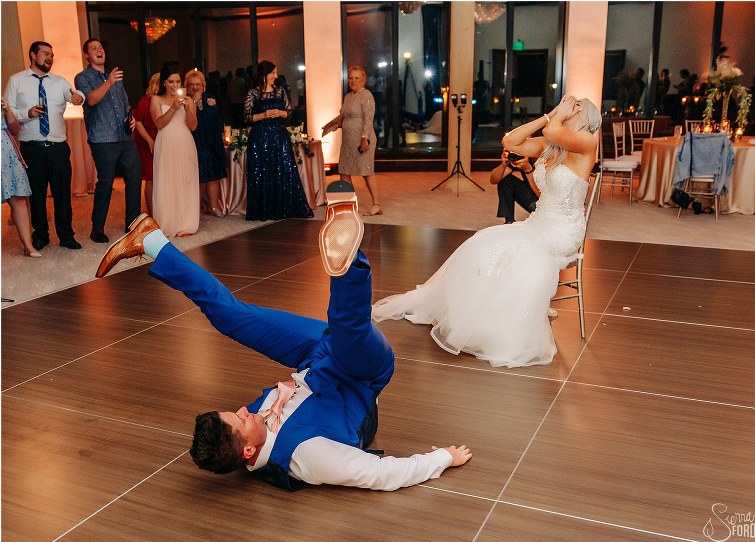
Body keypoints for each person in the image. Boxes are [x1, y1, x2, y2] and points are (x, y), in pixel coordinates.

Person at [93, 181, 472, 490]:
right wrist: (443, 459)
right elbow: (381, 475)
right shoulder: (308, 457)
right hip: (362, 373)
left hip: (314, 358)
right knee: (348, 328)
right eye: (241, 418)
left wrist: (256, 413)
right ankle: (349, 254)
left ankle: (151, 241)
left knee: (230, 315)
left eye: (236, 411)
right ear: (248, 452)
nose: (245, 408)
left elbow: (259, 412)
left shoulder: (248, 433)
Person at [372, 96, 601, 368]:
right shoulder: (551, 147)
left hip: (563, 230)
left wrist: (555, 118)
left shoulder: (588, 143)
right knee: (482, 242)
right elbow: (510, 142)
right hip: (536, 223)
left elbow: (553, 131)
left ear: (586, 117)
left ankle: (507, 324)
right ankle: (481, 318)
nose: (569, 109)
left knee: (524, 254)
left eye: (576, 107)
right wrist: (550, 114)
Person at [4, 40, 84, 251]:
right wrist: (26, 114)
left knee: (62, 194)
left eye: (51, 55)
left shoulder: (59, 81)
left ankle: (66, 235)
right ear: (33, 55)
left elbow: (75, 94)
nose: (49, 58)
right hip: (32, 148)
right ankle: (40, 235)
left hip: (58, 147)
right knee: (36, 195)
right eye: (45, 53)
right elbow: (7, 112)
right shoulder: (16, 81)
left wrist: (78, 97)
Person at [75, 38, 142, 244]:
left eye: (101, 47)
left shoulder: (115, 77)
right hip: (102, 138)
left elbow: (125, 104)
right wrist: (109, 82)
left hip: (124, 136)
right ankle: (97, 229)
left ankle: (133, 224)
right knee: (105, 182)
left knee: (134, 178)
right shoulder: (83, 77)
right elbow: (92, 100)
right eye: (93, 48)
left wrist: (131, 118)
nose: (99, 50)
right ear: (87, 55)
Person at [243, 60, 313, 221]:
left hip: (279, 136)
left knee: (285, 169)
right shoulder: (252, 93)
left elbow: (289, 112)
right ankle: (264, 209)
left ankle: (285, 207)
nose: (276, 75)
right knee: (262, 171)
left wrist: (280, 113)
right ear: (264, 75)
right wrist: (264, 115)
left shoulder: (280, 91)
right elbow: (246, 117)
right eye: (273, 72)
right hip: (260, 137)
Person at [323, 66, 382, 216]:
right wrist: (337, 125)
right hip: (348, 140)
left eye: (357, 78)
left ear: (364, 80)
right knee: (344, 171)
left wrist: (364, 139)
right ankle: (349, 203)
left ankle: (377, 205)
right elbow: (345, 117)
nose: (353, 81)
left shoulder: (366, 95)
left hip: (362, 139)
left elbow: (369, 120)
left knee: (366, 171)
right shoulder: (348, 97)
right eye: (351, 78)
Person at [150, 63, 199, 237]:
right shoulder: (156, 100)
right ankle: (168, 222)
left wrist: (187, 109)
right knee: (167, 180)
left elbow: (193, 127)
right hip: (166, 143)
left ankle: (186, 223)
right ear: (164, 82)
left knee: (185, 180)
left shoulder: (189, 101)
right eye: (171, 82)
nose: (175, 86)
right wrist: (173, 108)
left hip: (185, 142)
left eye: (178, 82)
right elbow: (159, 124)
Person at [185, 69, 227, 218]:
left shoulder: (211, 99)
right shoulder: (185, 101)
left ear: (203, 86)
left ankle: (213, 206)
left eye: (198, 84)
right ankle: (197, 208)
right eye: (192, 84)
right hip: (194, 140)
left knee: (213, 174)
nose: (195, 87)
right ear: (187, 86)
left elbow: (217, 118)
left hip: (212, 140)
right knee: (199, 175)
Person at [2, 98, 40, 257]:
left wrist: (7, 111)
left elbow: (14, 129)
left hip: (6, 155)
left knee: (18, 199)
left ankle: (28, 245)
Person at [132, 73, 160, 217]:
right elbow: (138, 122)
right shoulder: (146, 101)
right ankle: (152, 211)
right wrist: (150, 141)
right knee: (151, 176)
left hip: (164, 140)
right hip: (147, 140)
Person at [489, 151, 538, 224]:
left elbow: (542, 193)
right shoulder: (524, 158)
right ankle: (509, 220)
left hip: (547, 203)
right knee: (505, 179)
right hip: (531, 201)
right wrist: (503, 165)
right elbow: (493, 180)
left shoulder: (548, 159)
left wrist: (529, 170)